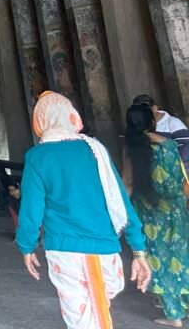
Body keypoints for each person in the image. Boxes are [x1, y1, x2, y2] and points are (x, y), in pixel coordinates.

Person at [17, 91, 151, 329]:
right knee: (99, 309)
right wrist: (138, 249)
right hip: (105, 246)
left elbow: (31, 209)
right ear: (72, 116)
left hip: (65, 249)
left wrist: (26, 246)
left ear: (39, 121)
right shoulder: (95, 150)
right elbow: (120, 200)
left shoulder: (38, 156)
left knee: (81, 318)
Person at [124, 103, 189, 327]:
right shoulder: (170, 145)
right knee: (181, 257)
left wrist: (119, 211)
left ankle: (174, 315)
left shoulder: (132, 148)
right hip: (176, 209)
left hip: (150, 213)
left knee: (158, 260)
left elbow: (128, 182)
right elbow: (182, 178)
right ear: (152, 122)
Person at [133, 95, 189, 164]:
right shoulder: (138, 127)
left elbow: (186, 150)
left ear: (155, 108)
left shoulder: (173, 122)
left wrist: (162, 141)